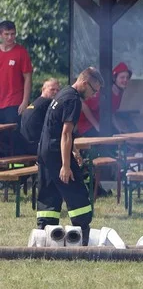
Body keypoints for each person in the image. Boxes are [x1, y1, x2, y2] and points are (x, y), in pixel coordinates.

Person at [35, 68, 104, 238]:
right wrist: (66, 166)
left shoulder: (64, 93)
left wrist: (74, 150)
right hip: (56, 153)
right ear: (84, 83)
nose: (93, 95)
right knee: (75, 188)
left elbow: (57, 128)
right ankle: (81, 233)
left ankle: (46, 233)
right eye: (93, 90)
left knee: (49, 192)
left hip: (45, 150)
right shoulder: (73, 100)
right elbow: (66, 133)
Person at [0, 20, 34, 154]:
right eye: (7, 34)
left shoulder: (21, 52)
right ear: (1, 34)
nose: (10, 37)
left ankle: (19, 170)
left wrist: (25, 101)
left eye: (13, 34)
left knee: (13, 136)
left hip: (14, 102)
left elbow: (28, 77)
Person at [77, 62, 131, 136]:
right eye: (122, 77)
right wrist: (96, 125)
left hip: (101, 126)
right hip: (87, 127)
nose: (125, 80)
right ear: (114, 78)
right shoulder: (103, 92)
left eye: (127, 77)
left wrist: (118, 128)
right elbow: (84, 105)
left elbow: (110, 113)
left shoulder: (119, 93)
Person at [19, 77, 61, 149]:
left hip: (25, 145)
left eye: (58, 90)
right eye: (52, 89)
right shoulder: (48, 103)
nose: (55, 92)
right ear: (43, 89)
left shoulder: (36, 103)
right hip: (37, 146)